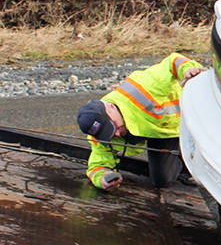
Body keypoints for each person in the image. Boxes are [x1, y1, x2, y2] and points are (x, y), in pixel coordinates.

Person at [76, 52, 205, 190]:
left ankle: (192, 165)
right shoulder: (100, 134)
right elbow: (97, 164)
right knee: (162, 181)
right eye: (109, 134)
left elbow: (173, 61)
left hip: (195, 115)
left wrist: (188, 70)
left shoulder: (145, 86)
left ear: (111, 107)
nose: (117, 135)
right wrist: (102, 178)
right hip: (163, 134)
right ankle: (183, 161)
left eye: (113, 128)